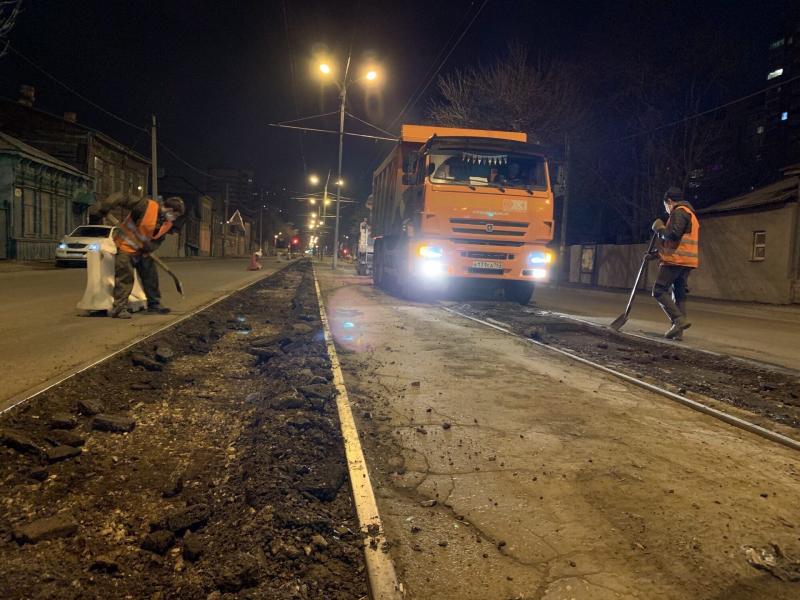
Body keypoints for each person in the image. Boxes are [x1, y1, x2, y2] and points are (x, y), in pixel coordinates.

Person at [92, 192, 185, 319]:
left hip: (141, 252)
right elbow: (121, 197)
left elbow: (158, 240)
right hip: (125, 246)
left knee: (151, 275)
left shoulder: (166, 223)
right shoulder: (145, 206)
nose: (174, 218)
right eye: (175, 215)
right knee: (125, 277)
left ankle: (154, 305)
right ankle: (119, 309)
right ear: (169, 209)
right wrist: (106, 206)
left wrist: (150, 247)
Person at [650, 187, 700, 340]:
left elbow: (672, 235)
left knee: (658, 290)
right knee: (679, 294)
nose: (666, 210)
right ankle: (678, 332)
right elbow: (679, 242)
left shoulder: (679, 212)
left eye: (665, 205)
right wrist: (655, 255)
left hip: (676, 261)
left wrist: (659, 229)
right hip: (687, 260)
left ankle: (678, 320)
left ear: (669, 202)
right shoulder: (690, 213)